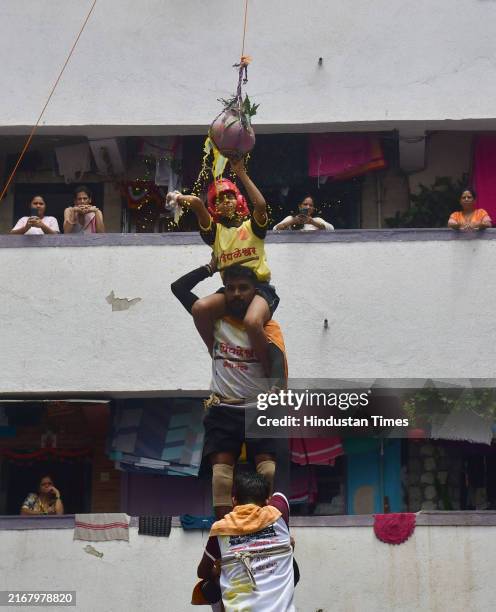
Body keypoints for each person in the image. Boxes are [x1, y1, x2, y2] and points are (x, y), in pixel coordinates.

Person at [171, 262, 287, 520]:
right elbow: (178, 288)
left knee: (267, 472)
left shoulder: (267, 329)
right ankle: (225, 533)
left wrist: (276, 388)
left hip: (258, 409)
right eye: (231, 288)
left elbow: (278, 366)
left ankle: (263, 524)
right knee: (221, 479)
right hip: (224, 408)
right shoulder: (215, 323)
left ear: (256, 293)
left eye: (243, 288)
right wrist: (209, 268)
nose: (236, 294)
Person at [168, 159, 277, 376]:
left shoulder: (251, 227)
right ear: (214, 206)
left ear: (238, 200)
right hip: (231, 292)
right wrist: (178, 197)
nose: (226, 202)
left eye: (229, 196)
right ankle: (214, 352)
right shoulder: (215, 232)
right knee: (199, 308)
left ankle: (267, 373)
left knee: (252, 321)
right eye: (219, 199)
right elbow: (198, 205)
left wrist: (241, 174)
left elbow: (262, 206)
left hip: (258, 290)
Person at [196, 471, 295, 612]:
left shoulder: (221, 530)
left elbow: (202, 571)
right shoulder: (278, 516)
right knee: (291, 561)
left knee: (215, 581)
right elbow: (280, 489)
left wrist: (217, 571)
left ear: (234, 500)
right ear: (267, 501)